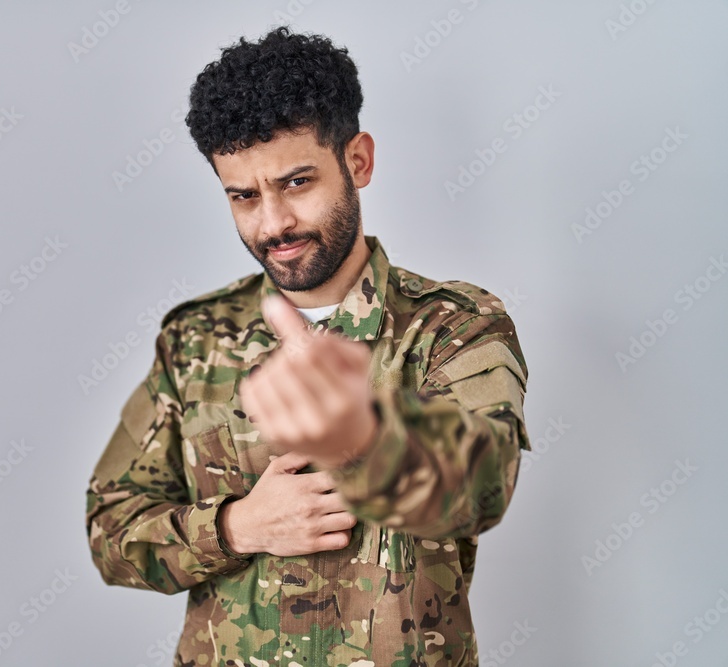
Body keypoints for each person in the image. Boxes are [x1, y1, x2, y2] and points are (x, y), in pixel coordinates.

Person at [85, 25, 531, 666]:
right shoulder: (195, 340)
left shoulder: (453, 326)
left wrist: (363, 437)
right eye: (243, 195)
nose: (273, 224)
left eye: (297, 183)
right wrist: (236, 526)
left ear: (358, 161)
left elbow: (484, 486)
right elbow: (110, 529)